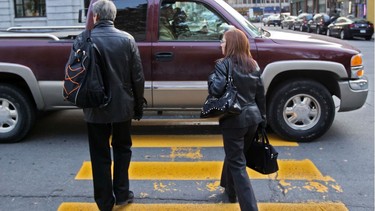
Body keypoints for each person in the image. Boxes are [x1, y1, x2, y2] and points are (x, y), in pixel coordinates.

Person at [82, 0, 145, 210]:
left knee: (99, 154)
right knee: (122, 149)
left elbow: (75, 73)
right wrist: (138, 105)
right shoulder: (127, 39)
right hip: (122, 106)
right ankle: (122, 194)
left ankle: (104, 202)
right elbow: (137, 77)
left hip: (94, 105)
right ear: (114, 17)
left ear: (95, 17)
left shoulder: (84, 39)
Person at [207, 28, 266, 211]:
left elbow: (215, 91)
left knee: (238, 164)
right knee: (235, 156)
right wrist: (263, 120)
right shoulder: (253, 64)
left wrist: (211, 77)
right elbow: (260, 95)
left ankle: (250, 208)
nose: (221, 44)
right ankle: (230, 191)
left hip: (234, 120)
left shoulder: (223, 64)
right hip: (252, 119)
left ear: (231, 44)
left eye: (223, 41)